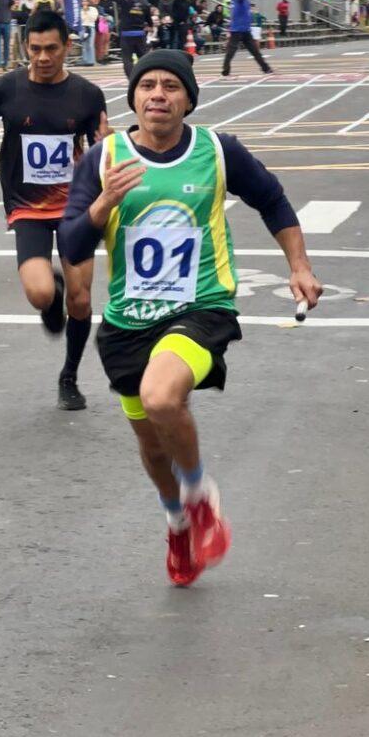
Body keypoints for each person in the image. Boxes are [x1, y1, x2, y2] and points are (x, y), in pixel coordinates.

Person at [58, 49, 322, 585]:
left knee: (161, 396)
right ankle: (177, 522)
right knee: (151, 445)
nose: (158, 94)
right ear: (133, 97)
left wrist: (299, 266)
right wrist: (104, 202)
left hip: (202, 307)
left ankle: (200, 497)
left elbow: (272, 200)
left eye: (171, 87)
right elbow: (72, 241)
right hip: (128, 321)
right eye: (148, 85)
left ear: (188, 99)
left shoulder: (217, 151)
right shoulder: (104, 159)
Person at [0, 9, 109, 411]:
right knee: (40, 293)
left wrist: (105, 150)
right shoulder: (5, 89)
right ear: (24, 47)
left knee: (80, 304)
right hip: (27, 205)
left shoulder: (86, 95)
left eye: (51, 49)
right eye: (35, 49)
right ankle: (54, 291)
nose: (43, 58)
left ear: (67, 46)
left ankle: (70, 377)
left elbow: (101, 149)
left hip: (76, 205)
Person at [221, 0, 273, 76]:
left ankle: (266, 68)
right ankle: (225, 71)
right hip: (237, 30)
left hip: (245, 30)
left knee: (255, 51)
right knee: (231, 52)